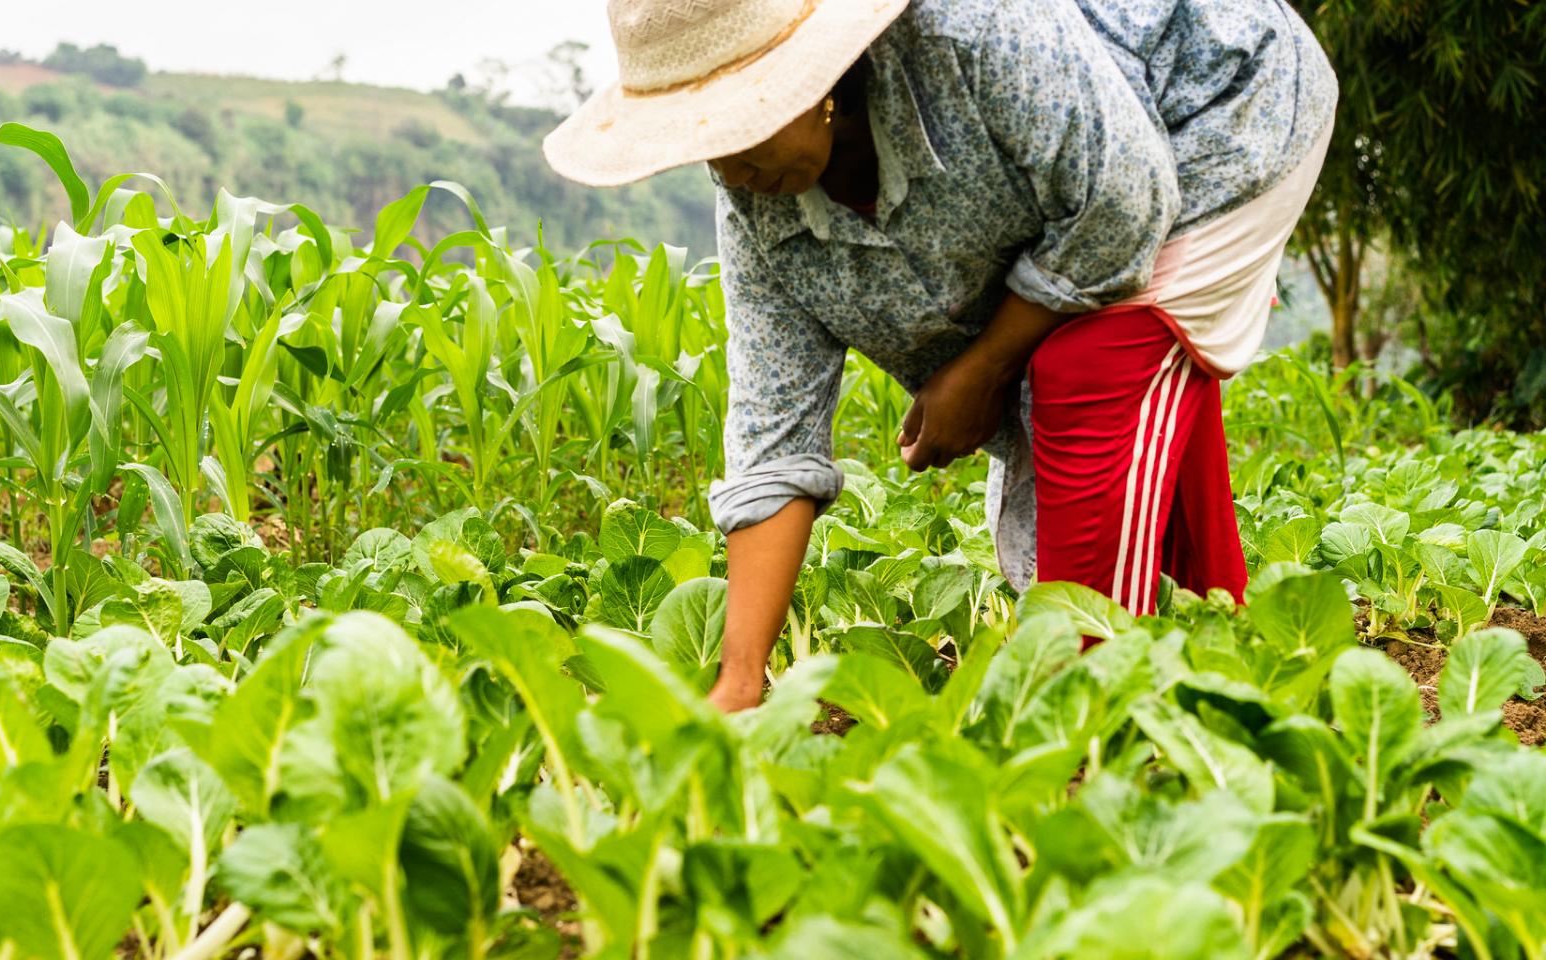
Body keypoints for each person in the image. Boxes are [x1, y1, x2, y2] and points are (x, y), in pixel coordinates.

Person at [543, 0, 1336, 711]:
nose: (725, 167)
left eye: (737, 125)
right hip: (1106, 187)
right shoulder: (757, 207)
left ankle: (1094, 702)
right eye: (698, 142)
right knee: (1117, 381)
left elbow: (1120, 211)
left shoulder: (972, 34)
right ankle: (1227, 637)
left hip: (1222, 111)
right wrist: (740, 679)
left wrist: (984, 367)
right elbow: (771, 440)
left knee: (1089, 366)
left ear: (819, 81)